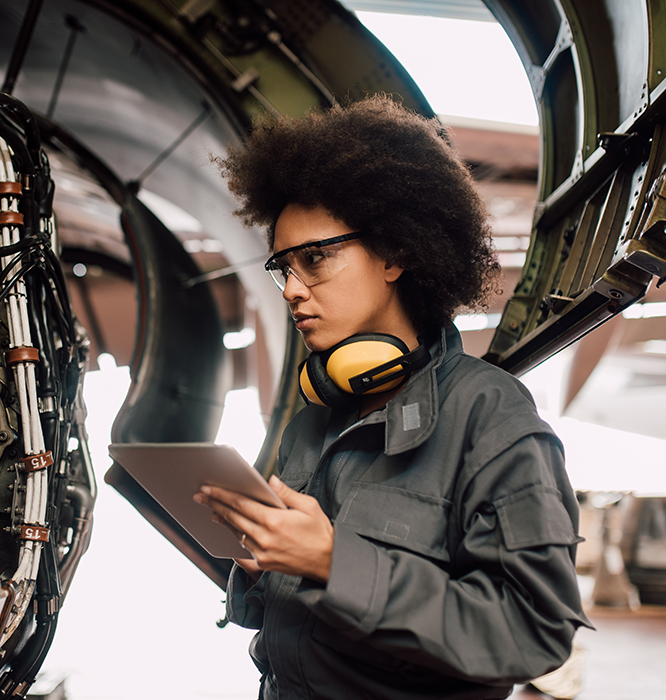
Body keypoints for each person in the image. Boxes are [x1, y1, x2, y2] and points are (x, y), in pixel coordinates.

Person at [195, 95, 592, 700]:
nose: (292, 291)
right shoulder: (316, 414)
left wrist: (334, 562)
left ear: (397, 252)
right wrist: (260, 567)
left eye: (316, 259)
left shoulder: (489, 417)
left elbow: (534, 634)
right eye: (283, 268)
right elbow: (278, 618)